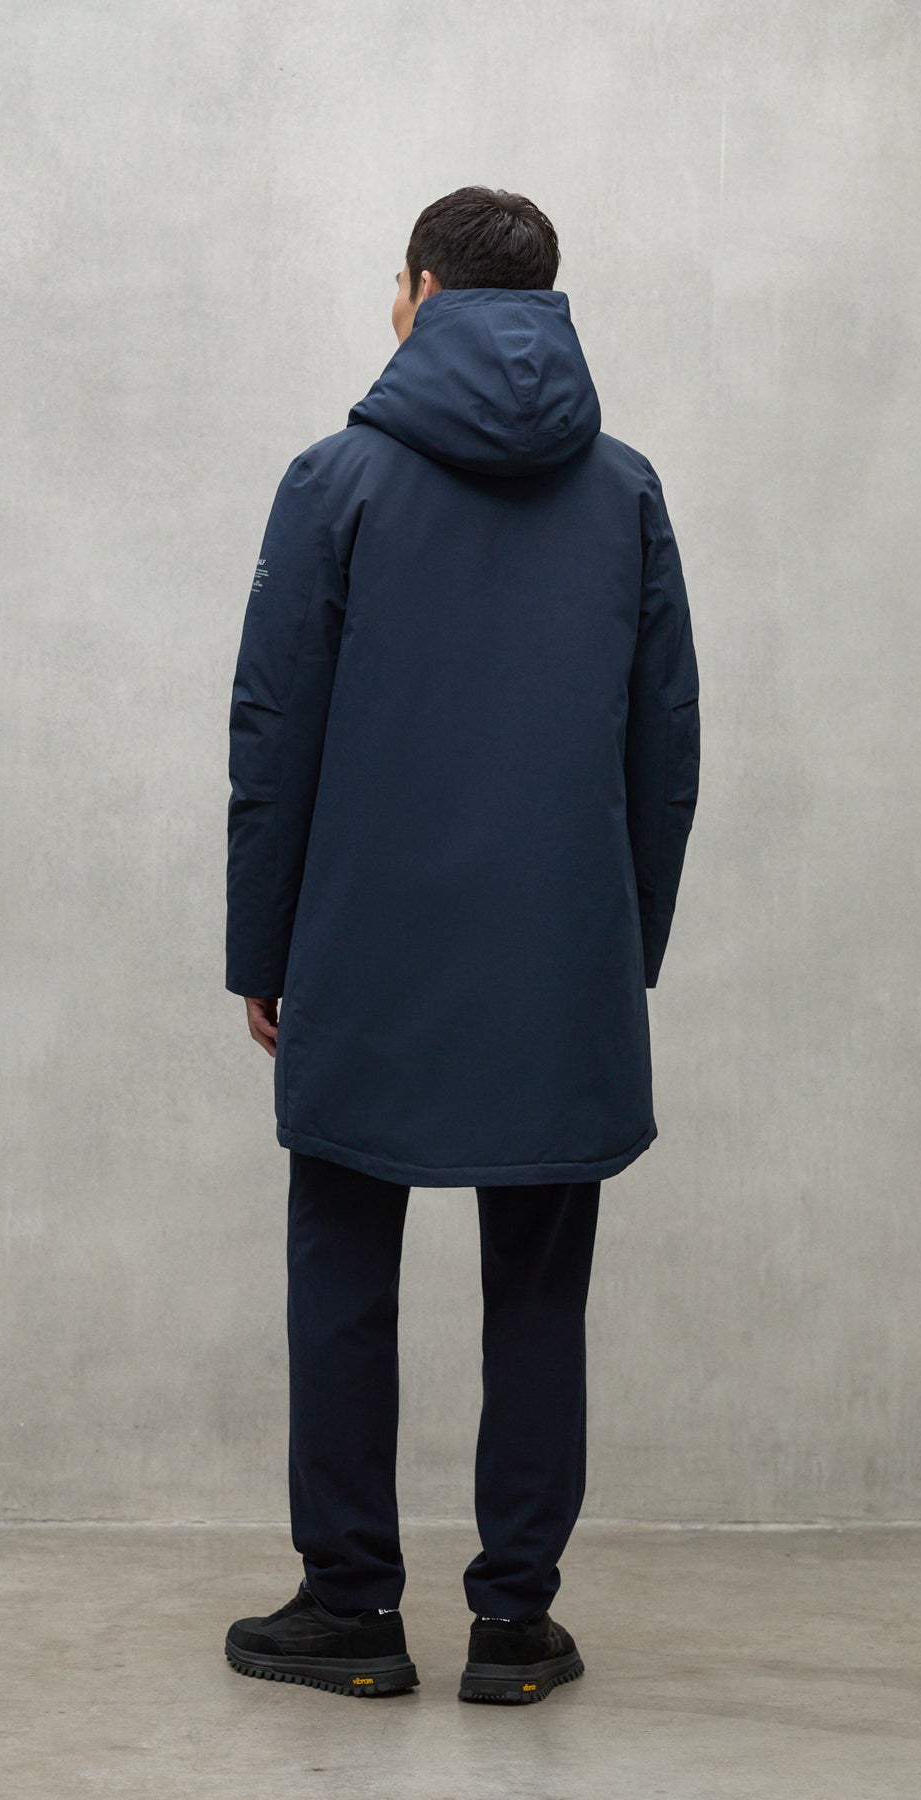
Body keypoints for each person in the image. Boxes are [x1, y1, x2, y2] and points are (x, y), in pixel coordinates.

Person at [223, 187, 701, 1703]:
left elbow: (274, 735)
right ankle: (513, 1629)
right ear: (544, 304)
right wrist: (624, 945)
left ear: (422, 291)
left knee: (341, 1268)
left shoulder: (334, 481)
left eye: (397, 284)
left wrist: (261, 948)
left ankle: (352, 1615)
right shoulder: (624, 491)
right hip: (561, 957)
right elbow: (667, 747)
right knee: (541, 1285)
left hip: (362, 950)